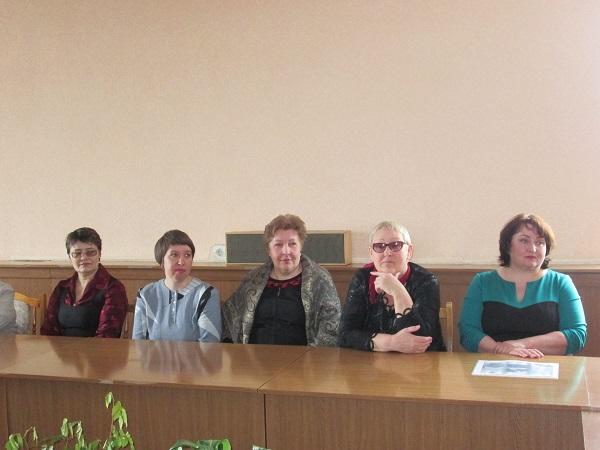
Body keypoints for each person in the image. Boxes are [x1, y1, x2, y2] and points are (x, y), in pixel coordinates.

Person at [459, 213, 587, 358]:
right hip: (493, 363)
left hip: (548, 365)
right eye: (524, 240)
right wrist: (499, 349)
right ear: (507, 245)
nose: (533, 249)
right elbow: (468, 332)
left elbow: (577, 335)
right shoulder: (482, 282)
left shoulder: (561, 282)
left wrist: (521, 345)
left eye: (540, 242)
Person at [222, 214, 341, 346]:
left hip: (303, 357)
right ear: (269, 250)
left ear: (300, 247)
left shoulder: (320, 280)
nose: (286, 251)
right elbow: (229, 318)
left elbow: (331, 328)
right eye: (278, 245)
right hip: (255, 355)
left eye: (292, 244)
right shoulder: (252, 279)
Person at [338, 221, 445, 352]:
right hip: (371, 362)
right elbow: (344, 336)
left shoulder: (426, 281)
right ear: (371, 253)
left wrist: (398, 291)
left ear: (409, 251)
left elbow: (420, 340)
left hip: (422, 362)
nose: (387, 252)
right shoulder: (362, 279)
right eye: (380, 246)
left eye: (395, 245)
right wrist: (391, 343)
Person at [132, 230, 221, 342]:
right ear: (161, 260)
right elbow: (138, 344)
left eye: (187, 255)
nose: (181, 262)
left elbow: (210, 345)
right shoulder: (146, 294)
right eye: (174, 255)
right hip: (154, 354)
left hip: (195, 355)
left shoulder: (206, 294)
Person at [41, 227, 127, 337]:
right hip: (59, 348)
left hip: (97, 348)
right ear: (70, 257)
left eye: (90, 252)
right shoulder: (62, 288)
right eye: (77, 253)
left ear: (100, 254)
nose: (83, 258)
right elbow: (48, 330)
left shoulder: (113, 288)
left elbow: (107, 335)